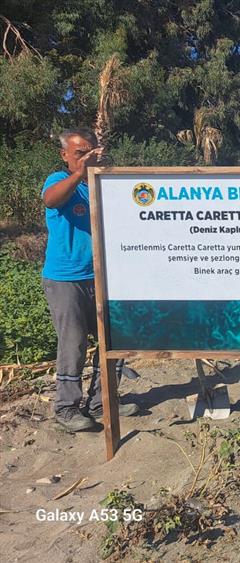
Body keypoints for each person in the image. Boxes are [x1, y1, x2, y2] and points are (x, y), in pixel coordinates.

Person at [41, 128, 139, 433]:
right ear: (65, 155)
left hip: (102, 277)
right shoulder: (60, 180)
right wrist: (80, 173)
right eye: (79, 153)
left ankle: (102, 402)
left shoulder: (101, 184)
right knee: (73, 343)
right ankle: (66, 408)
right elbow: (50, 200)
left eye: (90, 152)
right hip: (67, 279)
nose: (86, 157)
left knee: (114, 339)